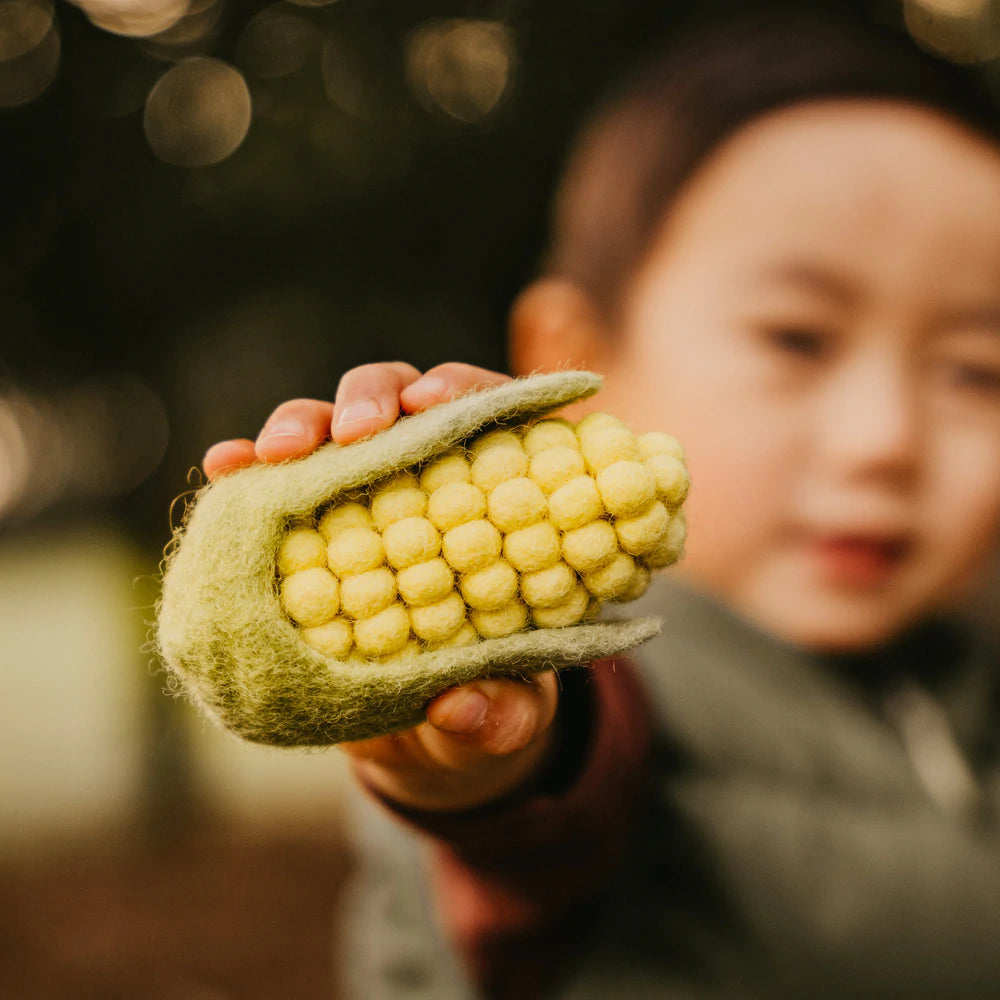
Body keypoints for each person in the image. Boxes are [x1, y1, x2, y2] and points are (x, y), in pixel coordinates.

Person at [202, 5, 1000, 997]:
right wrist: (481, 753)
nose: (886, 440)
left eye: (974, 371)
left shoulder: (968, 669)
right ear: (574, 360)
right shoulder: (613, 692)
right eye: (797, 338)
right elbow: (546, 799)